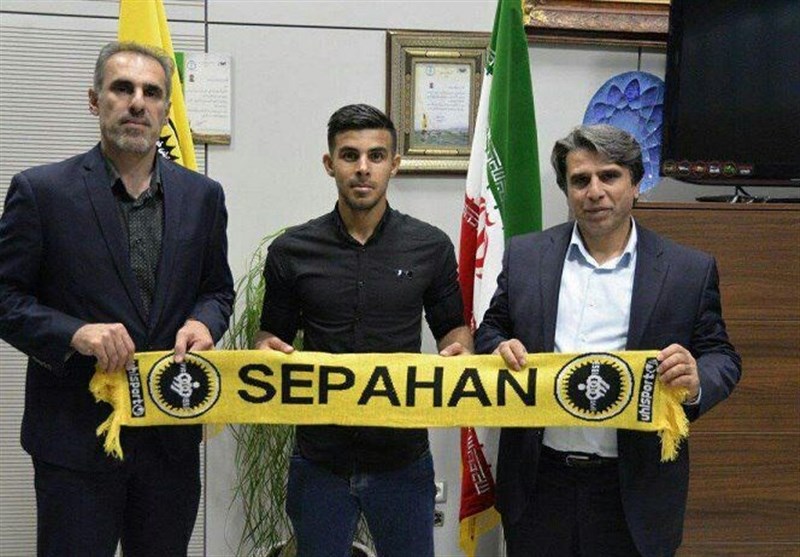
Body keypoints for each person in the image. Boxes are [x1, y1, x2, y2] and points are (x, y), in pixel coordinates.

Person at [0, 41, 234, 556]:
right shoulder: (41, 192)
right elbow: (6, 297)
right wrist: (74, 334)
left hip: (169, 437)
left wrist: (204, 322)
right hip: (75, 441)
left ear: (166, 110)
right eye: (122, 88)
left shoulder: (203, 196)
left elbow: (217, 289)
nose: (137, 103)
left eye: (152, 93)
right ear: (94, 100)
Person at [475, 124, 741, 557]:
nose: (594, 191)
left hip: (635, 491)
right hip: (539, 484)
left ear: (635, 183)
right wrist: (497, 348)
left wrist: (697, 380)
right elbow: (492, 329)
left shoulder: (687, 269)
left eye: (609, 176)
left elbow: (722, 356)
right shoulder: (526, 256)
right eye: (580, 180)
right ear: (567, 191)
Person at [255, 104, 472, 557]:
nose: (362, 168)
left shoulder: (430, 246)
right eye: (349, 155)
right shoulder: (291, 251)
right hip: (319, 459)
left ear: (395, 164)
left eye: (376, 156)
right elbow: (269, 339)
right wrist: (267, 352)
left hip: (402, 457)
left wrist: (459, 353)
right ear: (329, 163)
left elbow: (454, 332)